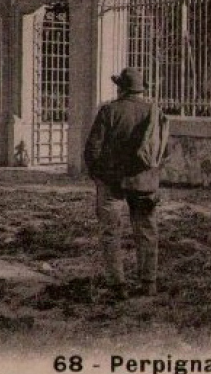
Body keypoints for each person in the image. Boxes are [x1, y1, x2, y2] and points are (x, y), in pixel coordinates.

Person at [83, 67, 169, 300]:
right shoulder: (155, 112)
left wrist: (99, 176)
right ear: (140, 90)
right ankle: (148, 283)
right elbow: (164, 151)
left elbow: (92, 150)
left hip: (113, 183)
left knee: (111, 233)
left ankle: (117, 285)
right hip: (144, 183)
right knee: (147, 231)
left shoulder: (109, 111)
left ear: (121, 88)